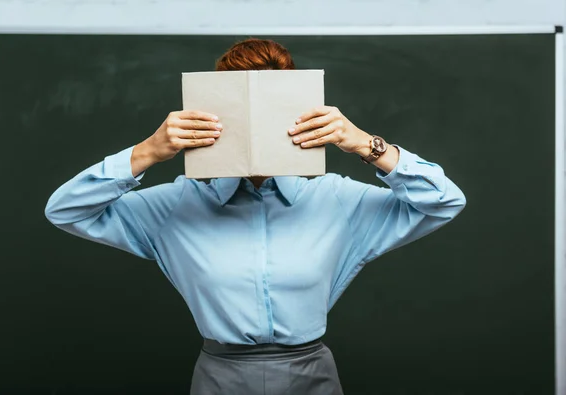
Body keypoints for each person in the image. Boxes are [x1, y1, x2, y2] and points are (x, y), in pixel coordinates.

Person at [45, 38, 466, 395]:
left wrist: (364, 144)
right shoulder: (176, 204)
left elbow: (444, 201)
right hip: (219, 379)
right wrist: (147, 152)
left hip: (313, 377)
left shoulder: (335, 198)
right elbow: (65, 210)